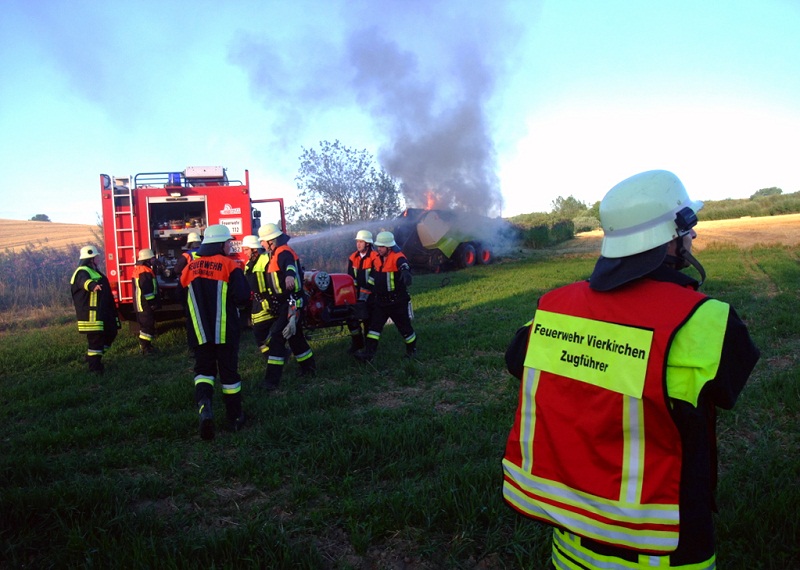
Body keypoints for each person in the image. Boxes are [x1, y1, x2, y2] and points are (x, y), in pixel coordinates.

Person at [501, 170, 760, 569]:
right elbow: (727, 387)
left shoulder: (554, 308)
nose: (693, 237)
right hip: (664, 550)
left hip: (571, 543)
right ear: (670, 239)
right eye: (688, 228)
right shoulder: (708, 321)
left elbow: (516, 357)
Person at [180, 224, 249, 440]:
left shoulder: (189, 268)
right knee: (229, 374)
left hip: (199, 332)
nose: (230, 245)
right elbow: (242, 297)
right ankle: (235, 417)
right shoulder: (229, 265)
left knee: (203, 371)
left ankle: (205, 409)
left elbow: (180, 297)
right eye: (228, 242)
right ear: (220, 244)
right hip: (226, 331)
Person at [258, 222, 316, 390]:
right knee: (295, 337)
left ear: (271, 241)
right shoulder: (276, 253)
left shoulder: (283, 252)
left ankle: (271, 382)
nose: (261, 244)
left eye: (263, 241)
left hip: (292, 302)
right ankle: (309, 368)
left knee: (277, 338)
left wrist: (290, 276)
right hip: (289, 301)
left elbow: (289, 265)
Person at [355, 231, 416, 362]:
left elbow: (403, 264)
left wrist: (405, 272)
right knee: (374, 329)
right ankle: (368, 354)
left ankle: (412, 350)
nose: (379, 248)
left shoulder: (397, 257)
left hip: (397, 302)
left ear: (389, 247)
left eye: (382, 246)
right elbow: (372, 280)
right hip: (381, 303)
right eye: (378, 246)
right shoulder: (377, 258)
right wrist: (362, 299)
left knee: (405, 329)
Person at [70, 245, 121, 374]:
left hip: (101, 312)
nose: (98, 258)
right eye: (96, 256)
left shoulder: (93, 270)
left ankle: (92, 357)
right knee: (96, 341)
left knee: (111, 332)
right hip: (92, 315)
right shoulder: (82, 271)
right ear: (91, 258)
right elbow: (84, 282)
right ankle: (95, 368)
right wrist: (92, 286)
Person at [345, 229, 379, 354]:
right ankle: (357, 343)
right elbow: (350, 277)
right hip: (356, 296)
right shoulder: (353, 257)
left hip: (371, 296)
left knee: (368, 321)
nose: (358, 244)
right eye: (357, 241)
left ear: (368, 244)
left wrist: (364, 294)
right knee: (351, 319)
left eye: (361, 242)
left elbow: (374, 277)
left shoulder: (375, 257)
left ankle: (369, 348)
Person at [132, 248, 159, 355]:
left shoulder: (140, 269)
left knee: (146, 325)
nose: (153, 260)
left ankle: (147, 346)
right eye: (151, 259)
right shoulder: (145, 271)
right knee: (147, 326)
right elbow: (147, 290)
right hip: (145, 304)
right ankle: (144, 348)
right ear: (147, 260)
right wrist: (152, 303)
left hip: (141, 303)